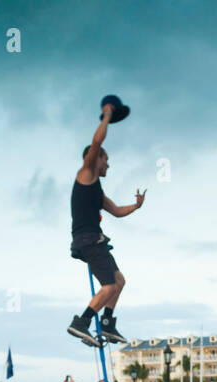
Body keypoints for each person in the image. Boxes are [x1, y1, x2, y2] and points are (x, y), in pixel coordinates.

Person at [67, 102, 144, 346]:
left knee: (119, 282)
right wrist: (108, 115)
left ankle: (108, 323)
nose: (108, 164)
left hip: (95, 241)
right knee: (109, 285)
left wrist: (136, 206)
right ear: (96, 158)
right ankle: (82, 322)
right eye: (106, 160)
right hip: (88, 240)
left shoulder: (96, 191)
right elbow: (97, 142)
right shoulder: (86, 173)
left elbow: (117, 211)